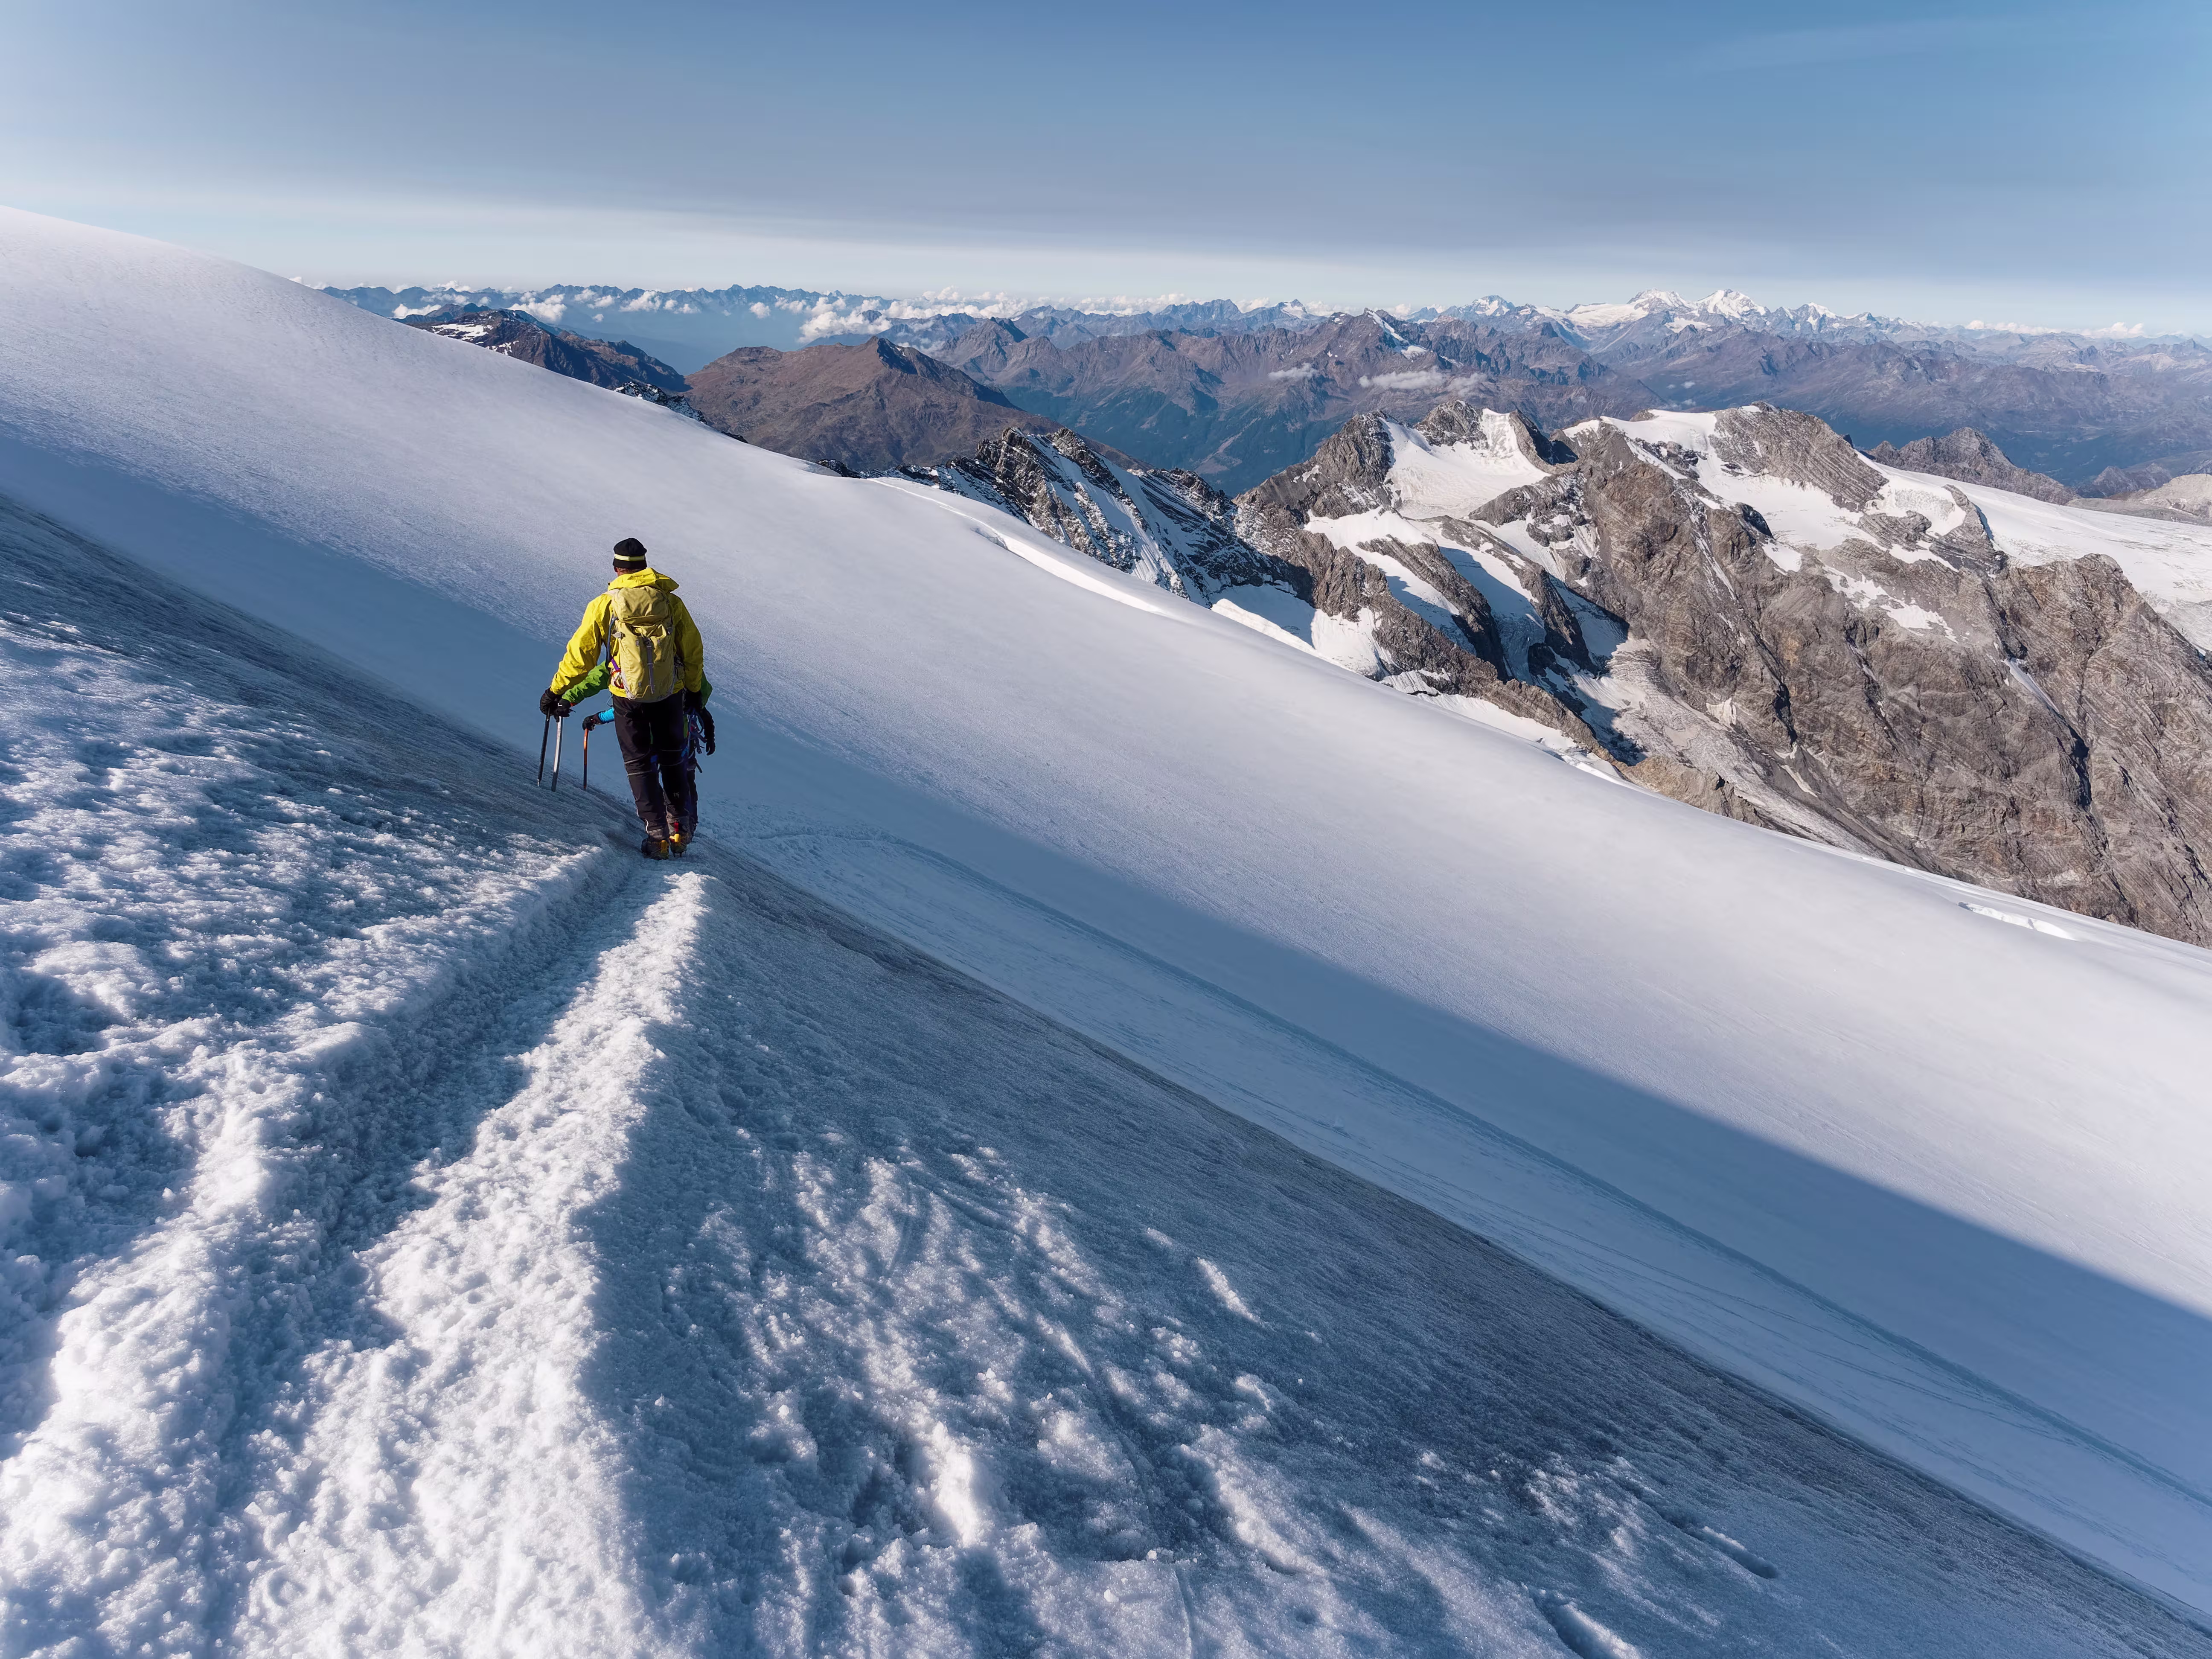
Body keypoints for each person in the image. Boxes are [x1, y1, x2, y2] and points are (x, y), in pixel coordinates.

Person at [542, 536, 707, 859]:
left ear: (617, 569)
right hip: (670, 695)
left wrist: (556, 690)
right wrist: (695, 691)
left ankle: (657, 837)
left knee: (639, 765)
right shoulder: (671, 603)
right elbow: (693, 651)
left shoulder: (606, 604)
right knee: (673, 760)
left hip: (626, 696)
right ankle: (680, 831)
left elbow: (582, 655)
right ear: (645, 567)